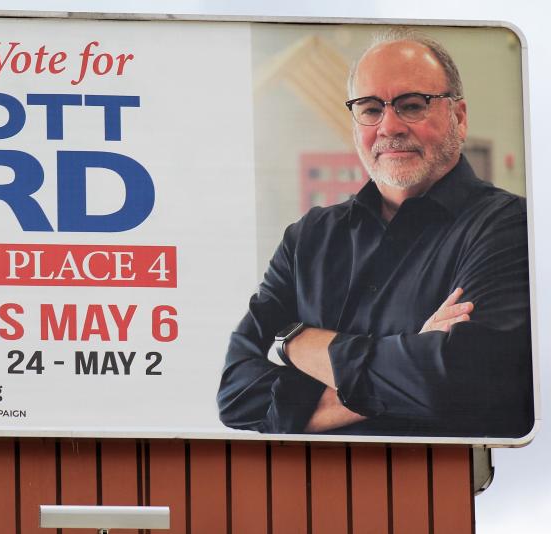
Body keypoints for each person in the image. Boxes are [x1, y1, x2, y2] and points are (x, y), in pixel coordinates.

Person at [216, 29, 533, 437]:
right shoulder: (308, 238)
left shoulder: (510, 227)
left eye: (412, 105)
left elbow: (461, 382)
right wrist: (407, 365)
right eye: (369, 109)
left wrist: (294, 343)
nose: (390, 126)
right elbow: (237, 397)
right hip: (305, 493)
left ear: (459, 116)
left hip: (449, 493)